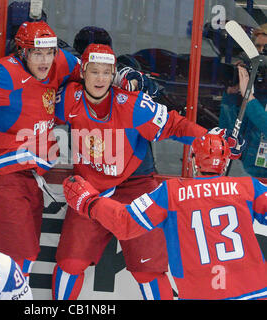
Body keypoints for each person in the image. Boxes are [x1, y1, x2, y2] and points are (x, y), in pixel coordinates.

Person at [0, 21, 143, 282]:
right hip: (2, 178)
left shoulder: (60, 61)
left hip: (30, 179)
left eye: (49, 53)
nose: (44, 61)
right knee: (15, 259)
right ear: (23, 52)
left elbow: (92, 69)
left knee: (26, 256)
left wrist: (124, 77)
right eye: (36, 53)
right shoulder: (3, 72)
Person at [52, 43, 245, 300]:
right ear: (83, 71)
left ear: (114, 75)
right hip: (90, 189)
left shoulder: (134, 106)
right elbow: (33, 113)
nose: (100, 79)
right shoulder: (67, 99)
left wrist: (211, 139)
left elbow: (176, 126)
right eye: (94, 72)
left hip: (135, 188)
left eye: (106, 73)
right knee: (70, 262)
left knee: (149, 270)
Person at [63, 133, 267, 300]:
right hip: (256, 292)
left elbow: (124, 222)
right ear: (225, 162)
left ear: (193, 159)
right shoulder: (249, 188)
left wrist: (89, 202)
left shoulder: (172, 193)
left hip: (200, 294)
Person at [219, 25, 267, 178]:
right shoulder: (255, 90)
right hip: (245, 172)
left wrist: (249, 98)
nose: (260, 54)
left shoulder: (254, 98)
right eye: (257, 47)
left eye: (265, 49)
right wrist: (232, 94)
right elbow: (228, 131)